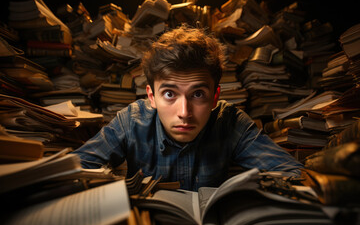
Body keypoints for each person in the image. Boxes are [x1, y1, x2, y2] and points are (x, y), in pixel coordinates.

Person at [72, 25, 303, 191]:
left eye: (198, 94)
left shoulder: (231, 122)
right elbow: (74, 170)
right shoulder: (131, 121)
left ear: (215, 97)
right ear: (151, 97)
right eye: (170, 94)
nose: (184, 112)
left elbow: (292, 173)